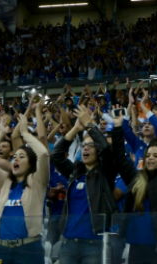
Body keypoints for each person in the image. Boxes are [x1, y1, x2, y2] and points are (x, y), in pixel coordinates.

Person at [51, 105, 119, 264]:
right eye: (83, 146)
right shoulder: (76, 171)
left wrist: (90, 125)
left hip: (93, 243)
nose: (85, 148)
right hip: (68, 243)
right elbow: (56, 155)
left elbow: (106, 151)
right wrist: (75, 129)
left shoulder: (105, 173)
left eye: (91, 145)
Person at [114, 108, 157, 264]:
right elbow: (119, 157)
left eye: (156, 155)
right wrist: (118, 128)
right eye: (148, 155)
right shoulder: (136, 178)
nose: (150, 158)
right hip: (136, 246)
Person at [0, 113, 49, 263]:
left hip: (28, 249)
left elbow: (43, 154)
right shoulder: (5, 181)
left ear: (31, 163)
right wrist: (0, 135)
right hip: (2, 248)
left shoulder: (38, 180)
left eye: (22, 156)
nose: (16, 159)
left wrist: (25, 133)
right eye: (15, 157)